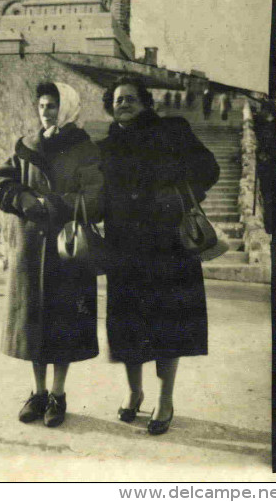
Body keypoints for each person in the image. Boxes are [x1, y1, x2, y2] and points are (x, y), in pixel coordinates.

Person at [98, 76, 219, 435]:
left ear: (146, 102)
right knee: (127, 323)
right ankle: (134, 392)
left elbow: (209, 169)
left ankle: (165, 399)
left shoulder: (173, 130)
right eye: (118, 99)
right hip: (126, 248)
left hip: (169, 245)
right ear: (110, 105)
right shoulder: (105, 147)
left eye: (131, 98)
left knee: (169, 324)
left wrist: (179, 194)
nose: (124, 103)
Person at [0, 81, 103, 428]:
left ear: (67, 108)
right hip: (31, 247)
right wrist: (23, 200)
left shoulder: (84, 148)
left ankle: (58, 394)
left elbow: (96, 196)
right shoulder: (25, 145)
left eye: (53, 106)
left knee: (64, 322)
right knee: (34, 322)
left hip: (68, 249)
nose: (46, 111)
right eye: (42, 106)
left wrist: (53, 204)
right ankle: (38, 393)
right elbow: (2, 180)